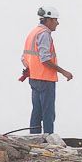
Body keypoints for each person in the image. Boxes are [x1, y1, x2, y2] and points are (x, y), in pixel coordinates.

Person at [20, 7, 71, 135]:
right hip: (45, 79)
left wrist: (31, 68)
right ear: (48, 20)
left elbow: (24, 58)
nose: (57, 23)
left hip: (34, 78)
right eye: (55, 20)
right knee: (48, 113)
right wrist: (63, 72)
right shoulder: (44, 34)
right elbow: (45, 59)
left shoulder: (33, 32)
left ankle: (34, 138)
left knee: (36, 112)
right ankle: (49, 138)